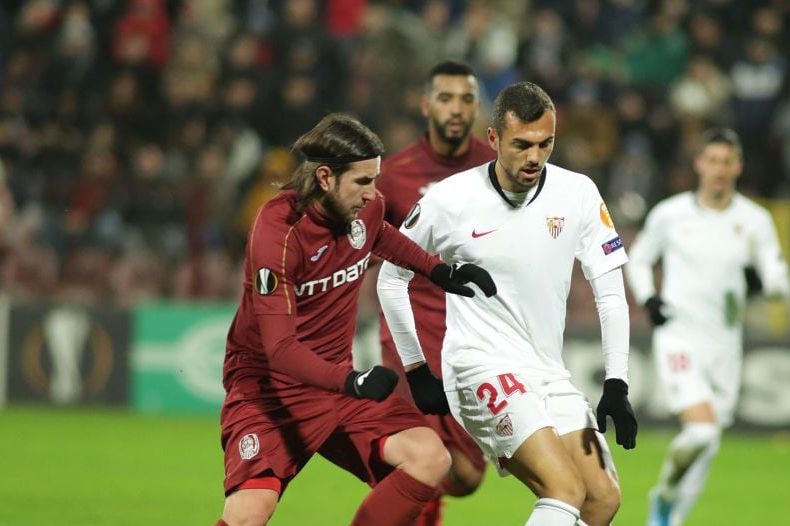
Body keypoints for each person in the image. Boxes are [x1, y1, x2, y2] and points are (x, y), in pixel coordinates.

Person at [377, 81, 638, 526]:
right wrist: (417, 369)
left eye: (546, 143)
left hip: (548, 371)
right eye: (522, 145)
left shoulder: (578, 193)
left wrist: (617, 381)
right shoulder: (450, 199)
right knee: (566, 489)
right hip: (480, 366)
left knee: (602, 500)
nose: (535, 157)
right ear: (494, 139)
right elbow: (391, 278)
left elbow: (610, 292)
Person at [216, 113, 496, 526]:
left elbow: (381, 233)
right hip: (269, 393)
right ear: (325, 177)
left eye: (376, 180)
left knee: (429, 456)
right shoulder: (278, 232)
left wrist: (439, 271)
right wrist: (352, 382)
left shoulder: (365, 209)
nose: (372, 193)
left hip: (335, 389)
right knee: (248, 516)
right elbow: (279, 349)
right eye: (363, 181)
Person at [625, 128, 790, 526]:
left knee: (709, 442)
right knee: (700, 433)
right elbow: (640, 258)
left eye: (727, 162)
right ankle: (663, 498)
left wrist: (767, 285)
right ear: (699, 163)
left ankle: (669, 513)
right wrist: (649, 299)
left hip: (726, 345)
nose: (719, 169)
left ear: (738, 166)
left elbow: (777, 277)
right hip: (679, 336)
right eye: (712, 161)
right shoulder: (671, 214)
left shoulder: (754, 220)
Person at [375, 60, 497, 524]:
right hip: (412, 333)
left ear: (477, 107)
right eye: (445, 98)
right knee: (423, 458)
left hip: (474, 333)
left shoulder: (495, 168)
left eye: (466, 99)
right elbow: (369, 246)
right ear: (426, 104)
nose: (456, 109)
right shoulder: (395, 174)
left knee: (465, 474)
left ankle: (400, 483)